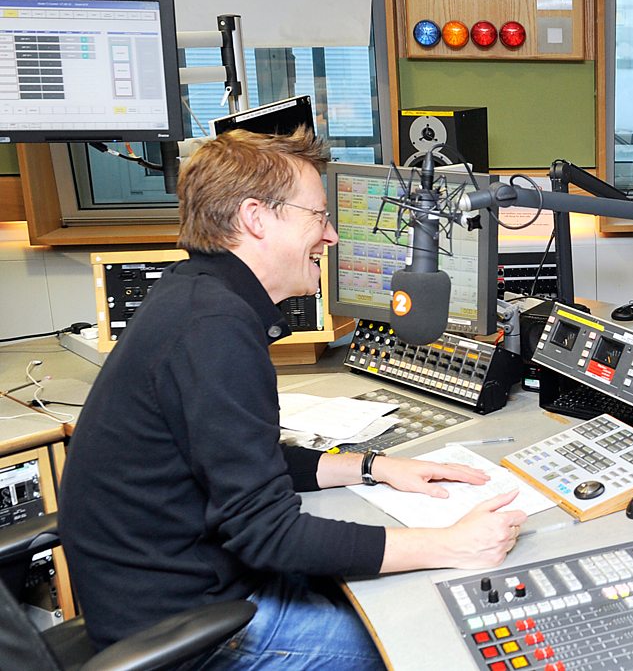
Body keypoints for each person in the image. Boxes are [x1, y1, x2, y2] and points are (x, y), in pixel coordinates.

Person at [58, 127, 528, 669]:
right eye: (318, 216)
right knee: (416, 642)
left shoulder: (194, 293)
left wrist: (373, 467)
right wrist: (451, 543)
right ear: (256, 218)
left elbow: (239, 459)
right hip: (190, 627)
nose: (330, 236)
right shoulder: (215, 329)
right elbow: (270, 535)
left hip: (155, 594)